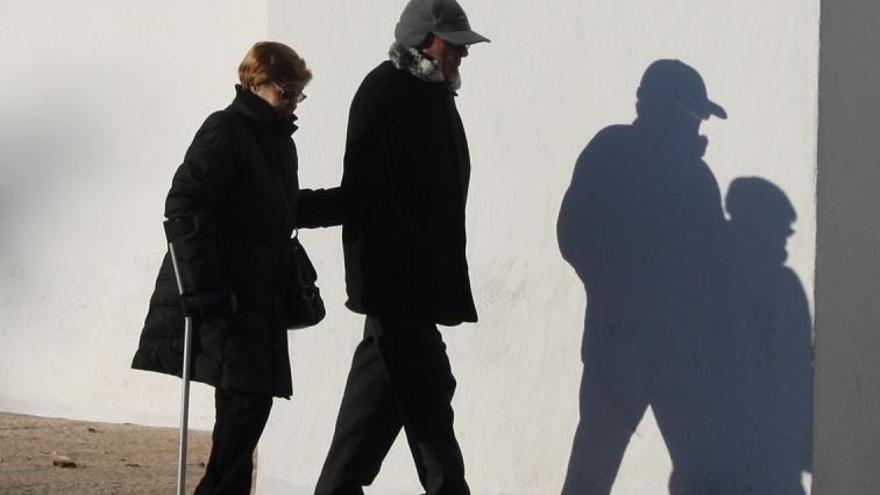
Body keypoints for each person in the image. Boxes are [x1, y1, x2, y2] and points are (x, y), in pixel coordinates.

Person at [132, 41, 342, 495]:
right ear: (256, 84)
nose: (293, 104)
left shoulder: (276, 143)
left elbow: (284, 208)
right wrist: (202, 286)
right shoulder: (225, 131)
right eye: (286, 93)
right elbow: (184, 204)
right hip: (225, 297)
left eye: (298, 95)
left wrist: (351, 202)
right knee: (246, 407)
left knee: (245, 410)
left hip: (257, 296)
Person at [314, 1, 489, 494]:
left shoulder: (432, 96)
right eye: (452, 43)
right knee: (429, 413)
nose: (461, 54)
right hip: (397, 290)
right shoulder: (385, 92)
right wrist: (290, 209)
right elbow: (364, 192)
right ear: (422, 40)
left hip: (417, 292)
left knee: (405, 412)